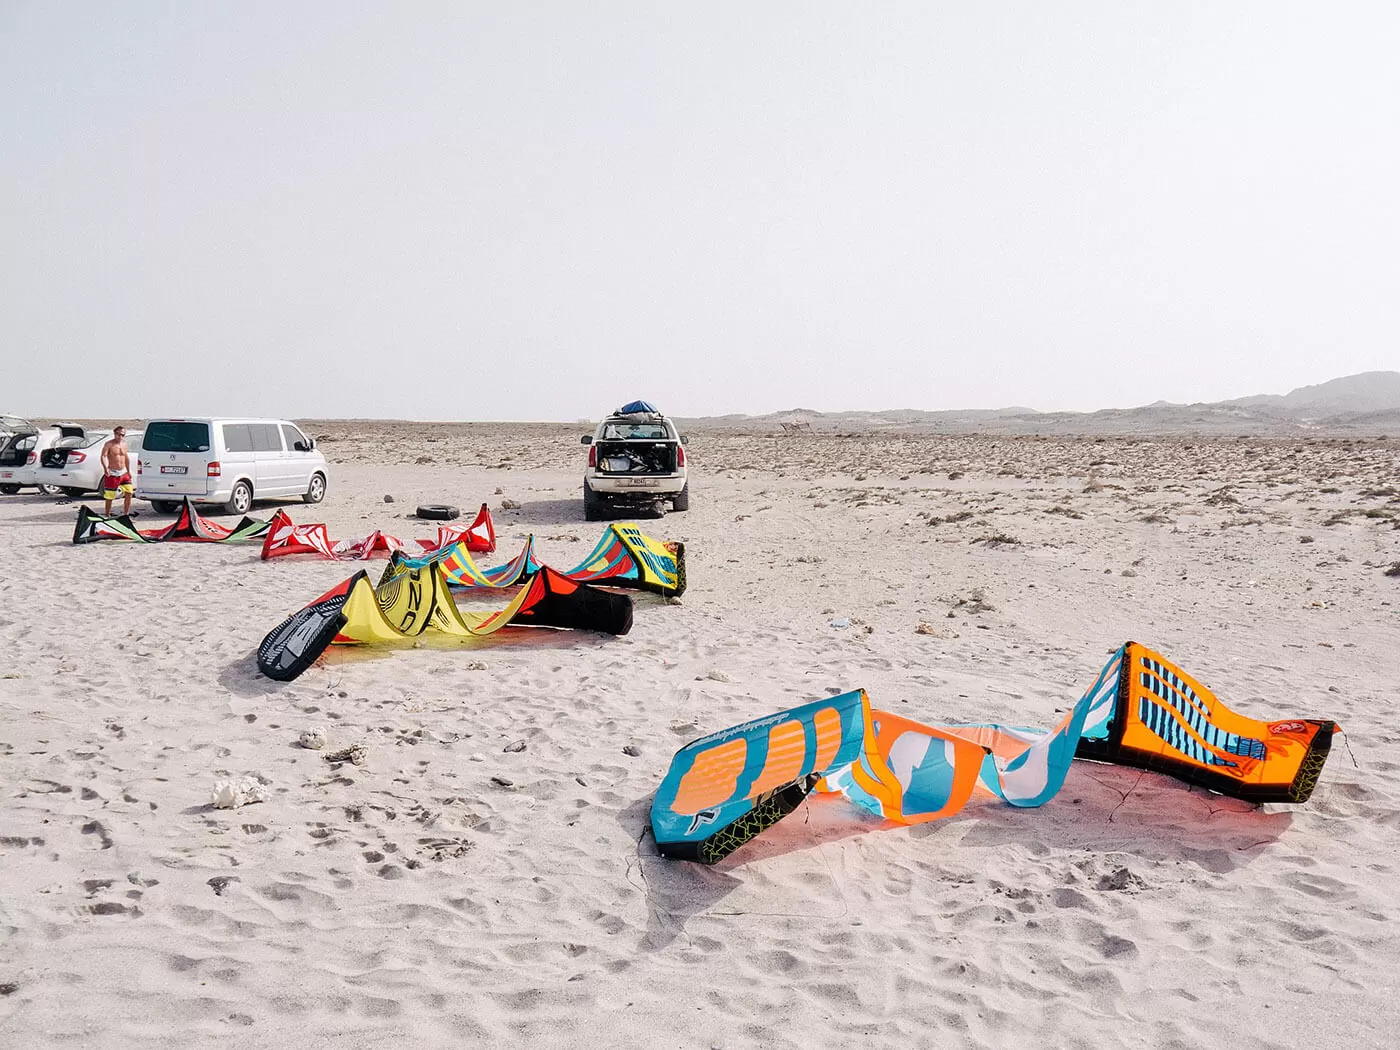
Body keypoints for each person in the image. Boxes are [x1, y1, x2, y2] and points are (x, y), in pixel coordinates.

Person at [100, 425, 135, 516]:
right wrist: (105, 468)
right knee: (110, 496)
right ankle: (107, 515)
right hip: (113, 472)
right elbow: (103, 456)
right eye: (118, 434)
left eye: (123, 435)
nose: (120, 437)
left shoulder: (124, 444)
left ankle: (126, 515)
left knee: (129, 492)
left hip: (123, 472)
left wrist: (128, 471)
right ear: (114, 434)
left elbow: (126, 458)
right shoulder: (109, 444)